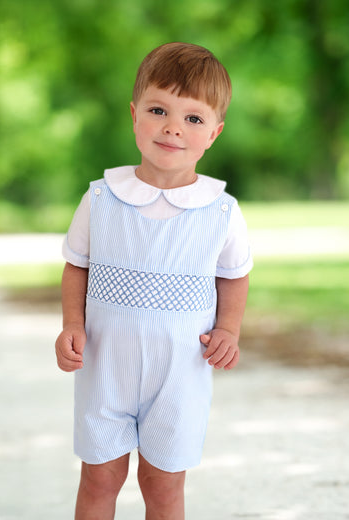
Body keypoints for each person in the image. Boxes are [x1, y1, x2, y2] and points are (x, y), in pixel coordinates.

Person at [55, 42, 253, 520]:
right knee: (100, 476)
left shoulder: (221, 211)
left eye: (193, 119)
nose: (172, 127)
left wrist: (228, 329)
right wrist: (71, 324)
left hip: (179, 370)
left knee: (162, 485)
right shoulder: (101, 199)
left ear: (214, 133)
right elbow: (77, 264)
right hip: (106, 364)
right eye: (159, 110)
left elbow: (234, 274)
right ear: (135, 114)